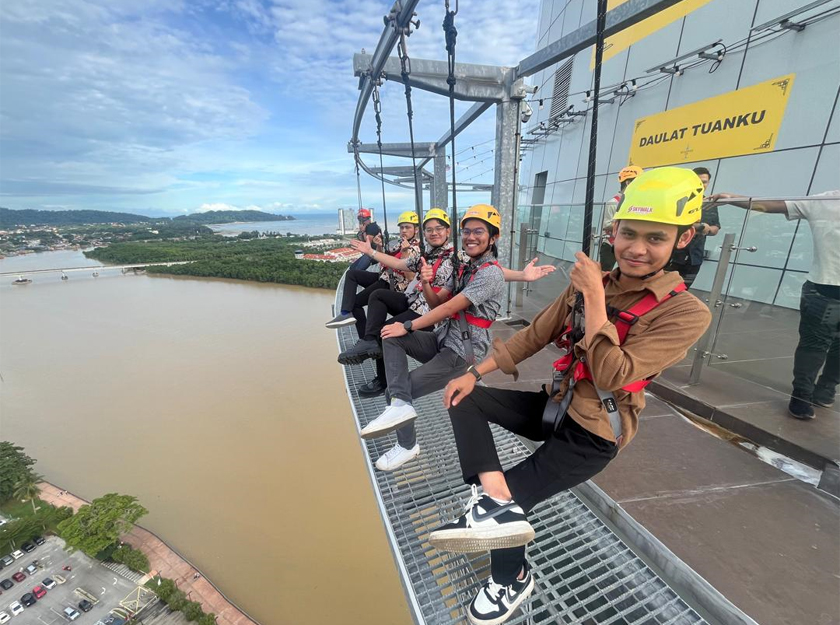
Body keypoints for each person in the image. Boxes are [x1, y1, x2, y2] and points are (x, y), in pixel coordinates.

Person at [424, 168, 712, 625]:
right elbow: (534, 336)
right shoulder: (589, 281)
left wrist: (595, 294)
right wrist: (475, 373)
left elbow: (612, 373)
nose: (637, 248)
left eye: (655, 238)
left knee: (512, 507)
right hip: (556, 405)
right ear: (613, 232)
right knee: (465, 398)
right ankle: (494, 499)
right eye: (629, 233)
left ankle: (511, 577)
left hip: (595, 432)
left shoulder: (685, 313)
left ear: (683, 239)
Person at [349, 205, 556, 471]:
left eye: (478, 231)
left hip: (461, 352)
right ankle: (400, 406)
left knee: (397, 387)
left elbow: (449, 308)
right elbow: (437, 304)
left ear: (493, 237)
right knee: (390, 335)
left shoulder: (488, 273)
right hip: (443, 338)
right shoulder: (465, 267)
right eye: (467, 231)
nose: (471, 236)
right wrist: (424, 283)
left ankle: (407, 446)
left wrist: (409, 325)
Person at [711, 189, 839, 420]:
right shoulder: (826, 200)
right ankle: (801, 395)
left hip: (823, 289)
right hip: (823, 289)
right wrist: (734, 199)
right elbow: (772, 205)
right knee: (814, 346)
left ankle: (826, 389)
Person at [339, 208, 455, 399]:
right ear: (424, 232)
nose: (434, 233)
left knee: (385, 331)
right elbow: (399, 265)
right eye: (430, 229)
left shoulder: (455, 257)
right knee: (378, 296)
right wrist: (372, 252)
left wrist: (520, 276)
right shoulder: (425, 253)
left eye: (439, 228)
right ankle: (368, 341)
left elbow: (488, 269)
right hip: (414, 301)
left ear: (448, 231)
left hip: (427, 313)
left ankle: (383, 380)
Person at [325, 211, 420, 331]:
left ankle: (364, 338)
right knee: (352, 274)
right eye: (402, 227)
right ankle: (345, 313)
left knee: (356, 303)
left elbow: (411, 277)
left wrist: (405, 253)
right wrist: (379, 246)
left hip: (392, 284)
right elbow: (384, 260)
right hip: (385, 276)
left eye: (408, 227)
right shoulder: (400, 244)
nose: (404, 230)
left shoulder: (415, 248)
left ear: (416, 230)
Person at [667, 167, 720, 287]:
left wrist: (707, 229)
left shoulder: (709, 203)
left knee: (683, 290)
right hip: (674, 255)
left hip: (694, 257)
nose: (701, 184)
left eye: (704, 182)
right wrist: (695, 227)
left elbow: (715, 228)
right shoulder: (679, 200)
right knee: (663, 288)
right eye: (697, 181)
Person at [600, 165, 643, 271]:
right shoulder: (613, 203)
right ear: (628, 183)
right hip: (611, 245)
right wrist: (626, 225)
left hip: (629, 245)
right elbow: (606, 224)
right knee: (604, 274)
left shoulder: (636, 202)